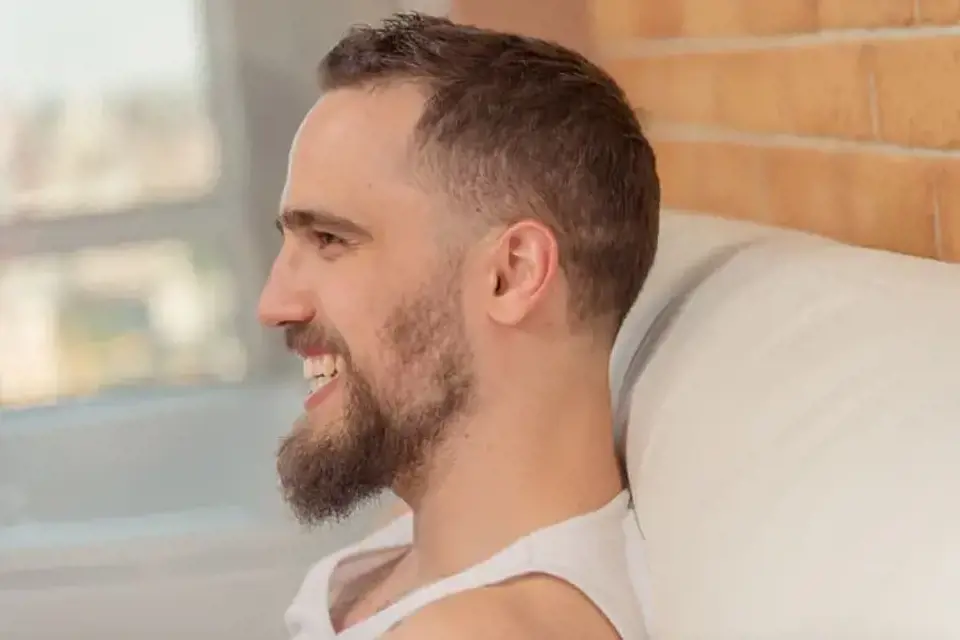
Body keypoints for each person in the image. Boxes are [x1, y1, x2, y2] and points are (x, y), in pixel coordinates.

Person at [257, 12, 660, 639]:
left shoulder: (488, 627)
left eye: (330, 239)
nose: (273, 304)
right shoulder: (419, 539)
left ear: (511, 274)